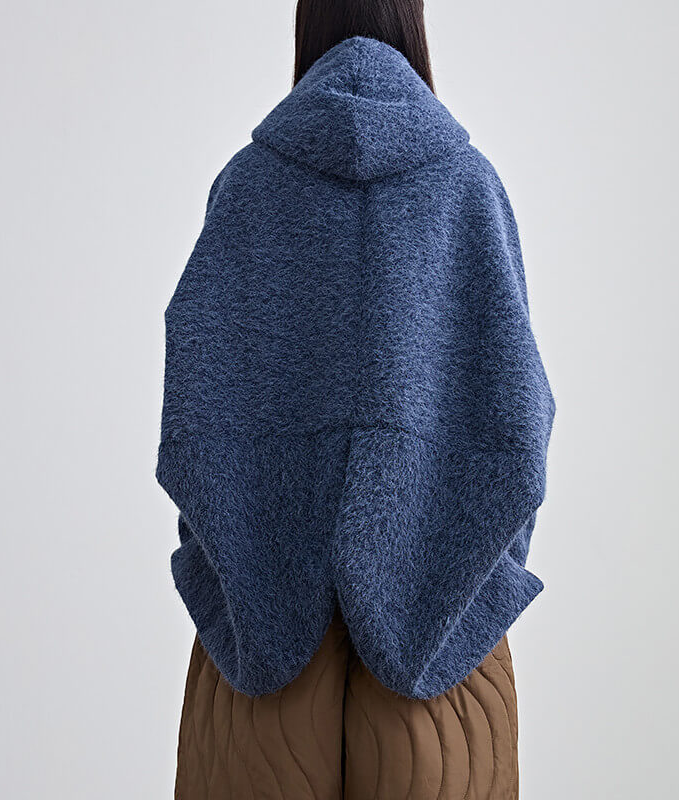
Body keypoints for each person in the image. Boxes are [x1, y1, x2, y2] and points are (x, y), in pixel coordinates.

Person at [157, 1, 554, 797]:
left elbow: (193, 427)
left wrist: (236, 578)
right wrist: (467, 586)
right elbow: (519, 425)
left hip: (260, 669)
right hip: (443, 673)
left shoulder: (246, 188)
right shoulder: (469, 187)